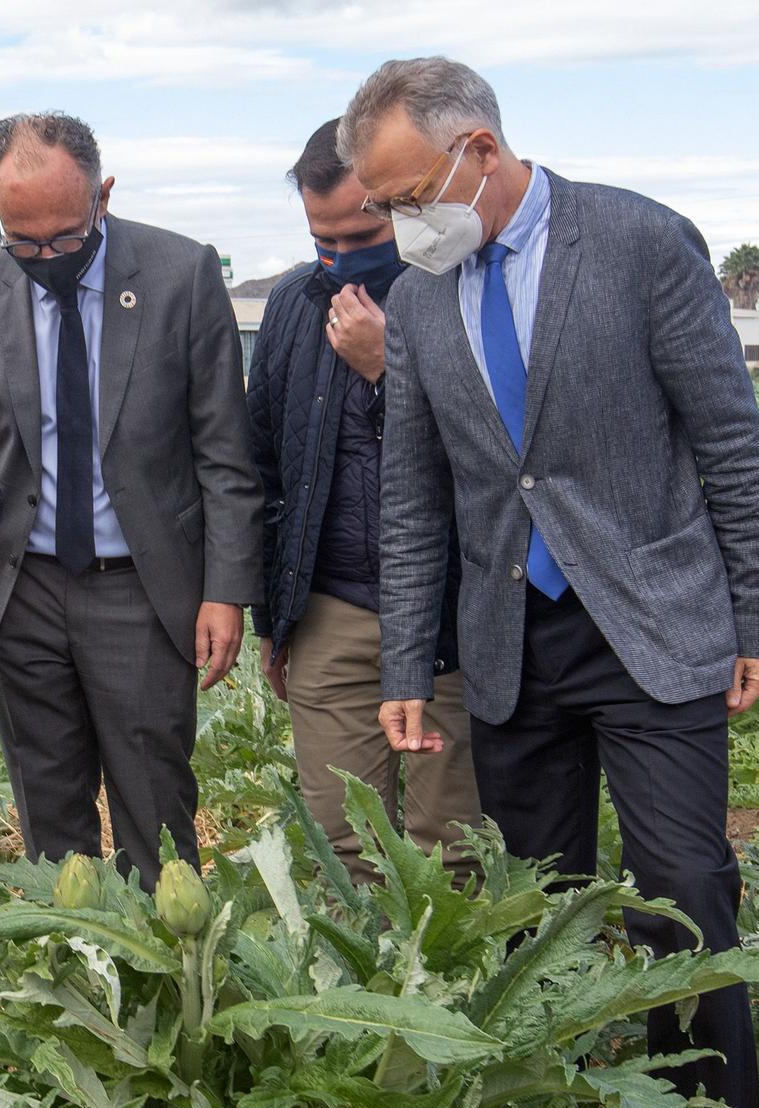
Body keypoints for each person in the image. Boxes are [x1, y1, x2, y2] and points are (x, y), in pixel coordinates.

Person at [342, 57, 759, 1108]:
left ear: (478, 153)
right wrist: (406, 658)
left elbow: (728, 438)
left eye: (408, 200)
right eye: (385, 207)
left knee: (681, 885)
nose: (402, 225)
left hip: (649, 620)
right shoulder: (416, 301)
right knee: (533, 902)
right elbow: (412, 495)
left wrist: (756, 615)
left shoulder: (636, 243)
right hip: (512, 635)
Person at [0, 112, 264, 888]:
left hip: (140, 589)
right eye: (22, 240)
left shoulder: (181, 275)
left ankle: (167, 976)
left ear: (103, 196)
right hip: (21, 591)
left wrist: (226, 591)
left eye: (64, 237)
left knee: (155, 806)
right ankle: (79, 983)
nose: (44, 257)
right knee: (50, 823)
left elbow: (224, 451)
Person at [246, 118, 480, 884]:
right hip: (333, 608)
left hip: (450, 612)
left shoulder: (459, 289)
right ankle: (364, 1000)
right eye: (324, 240)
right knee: (344, 848)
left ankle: (461, 997)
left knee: (455, 843)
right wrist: (271, 617)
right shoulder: (289, 307)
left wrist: (390, 371)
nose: (343, 258)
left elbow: (500, 459)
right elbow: (266, 468)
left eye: (360, 231)